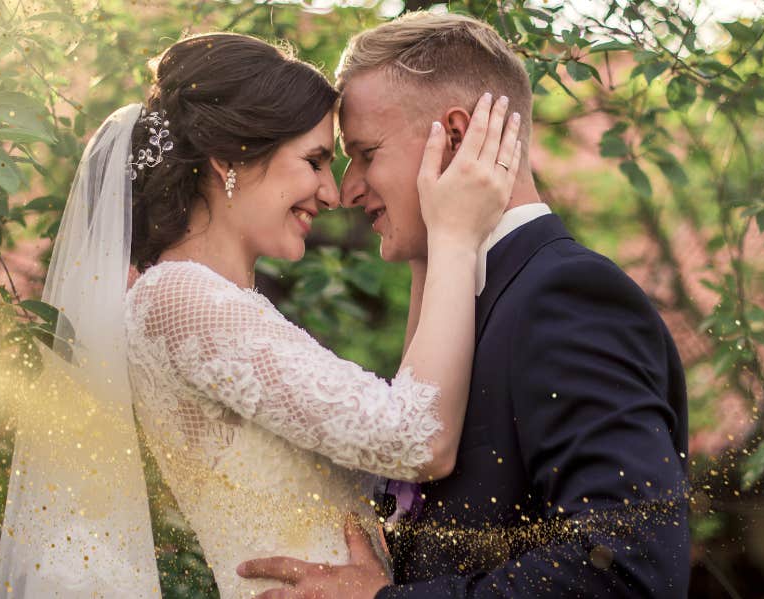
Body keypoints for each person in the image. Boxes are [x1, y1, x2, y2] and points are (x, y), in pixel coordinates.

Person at [0, 32, 521, 598]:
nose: (331, 191)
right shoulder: (182, 301)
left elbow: (405, 418)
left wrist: (422, 238)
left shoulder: (216, 303)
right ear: (230, 161)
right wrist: (454, 237)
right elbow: (419, 439)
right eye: (314, 160)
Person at [237, 13, 692, 598]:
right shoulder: (461, 303)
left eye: (367, 154)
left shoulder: (566, 298)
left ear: (454, 136)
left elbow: (633, 571)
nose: (347, 190)